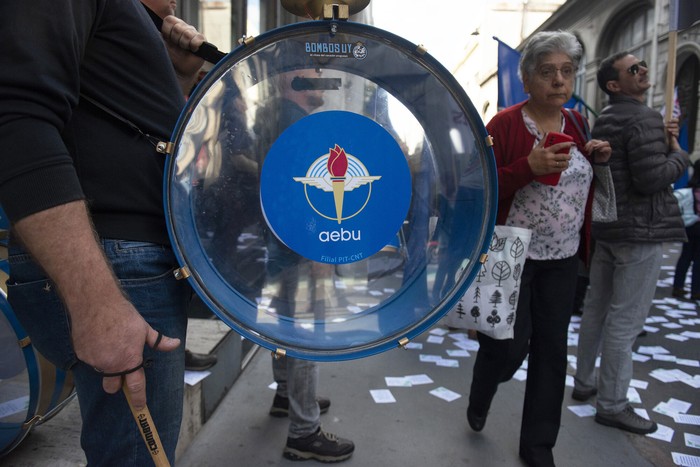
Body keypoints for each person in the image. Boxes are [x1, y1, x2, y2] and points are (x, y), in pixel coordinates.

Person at [0, 1, 206, 464]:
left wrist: (180, 76)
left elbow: (126, 133)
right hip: (116, 268)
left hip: (128, 267)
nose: (175, 2)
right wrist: (97, 303)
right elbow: (17, 116)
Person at [466, 31, 611, 467]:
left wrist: (596, 157)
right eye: (547, 72)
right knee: (508, 347)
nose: (559, 81)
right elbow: (476, 186)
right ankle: (483, 386)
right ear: (527, 79)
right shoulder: (505, 125)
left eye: (567, 72)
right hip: (510, 256)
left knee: (551, 350)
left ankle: (538, 446)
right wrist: (523, 168)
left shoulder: (578, 124)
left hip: (563, 258)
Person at [574, 51, 689, 435]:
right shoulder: (644, 117)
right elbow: (651, 179)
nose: (643, 70)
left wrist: (663, 138)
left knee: (597, 311)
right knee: (625, 322)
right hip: (641, 231)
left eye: (642, 65)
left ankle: (584, 381)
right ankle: (612, 404)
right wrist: (680, 155)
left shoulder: (607, 117)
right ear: (613, 84)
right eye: (633, 69)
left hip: (609, 229)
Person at [253, 69, 354, 463]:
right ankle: (303, 430)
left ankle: (285, 394)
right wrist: (317, 252)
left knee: (284, 321)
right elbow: (303, 195)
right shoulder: (296, 126)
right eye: (311, 73)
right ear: (288, 80)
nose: (321, 78)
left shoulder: (271, 118)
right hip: (299, 243)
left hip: (277, 240)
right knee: (306, 334)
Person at [673, 159, 700, 300]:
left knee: (685, 256)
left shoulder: (689, 190)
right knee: (698, 259)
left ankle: (678, 286)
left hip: (689, 226)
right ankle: (696, 290)